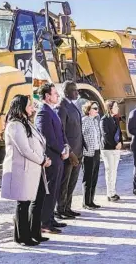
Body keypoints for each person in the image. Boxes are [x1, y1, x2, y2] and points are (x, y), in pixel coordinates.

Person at [1, 95, 51, 246]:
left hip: (35, 169)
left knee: (37, 200)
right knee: (23, 204)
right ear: (21, 106)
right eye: (29, 105)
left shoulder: (26, 123)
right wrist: (42, 160)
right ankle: (23, 237)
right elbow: (25, 149)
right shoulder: (15, 125)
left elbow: (38, 143)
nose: (32, 108)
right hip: (22, 170)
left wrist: (43, 158)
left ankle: (35, 232)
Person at [35, 83, 69, 234]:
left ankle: (50, 218)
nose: (57, 96)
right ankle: (44, 222)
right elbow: (47, 137)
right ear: (47, 96)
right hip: (51, 156)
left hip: (59, 156)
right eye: (55, 94)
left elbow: (61, 133)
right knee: (49, 189)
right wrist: (61, 149)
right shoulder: (43, 113)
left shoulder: (52, 111)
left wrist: (66, 146)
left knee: (55, 189)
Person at [55, 81, 82, 220]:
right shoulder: (61, 107)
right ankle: (60, 209)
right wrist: (70, 152)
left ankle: (67, 207)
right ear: (65, 92)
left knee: (72, 182)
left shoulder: (73, 105)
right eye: (74, 90)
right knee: (64, 183)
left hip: (78, 151)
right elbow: (62, 132)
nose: (77, 93)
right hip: (69, 153)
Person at [100, 100, 124, 201]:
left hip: (116, 149)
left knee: (114, 171)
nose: (117, 108)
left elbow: (120, 133)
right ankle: (110, 194)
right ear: (110, 108)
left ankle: (113, 191)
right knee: (110, 171)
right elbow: (106, 136)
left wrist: (120, 143)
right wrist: (115, 145)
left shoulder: (116, 119)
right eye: (115, 106)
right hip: (108, 149)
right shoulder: (104, 119)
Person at [81, 101, 103, 209]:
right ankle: (86, 202)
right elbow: (81, 136)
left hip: (96, 151)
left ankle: (91, 200)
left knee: (94, 177)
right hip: (88, 153)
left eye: (97, 108)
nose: (97, 110)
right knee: (88, 178)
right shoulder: (84, 121)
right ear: (89, 110)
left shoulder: (95, 121)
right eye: (94, 108)